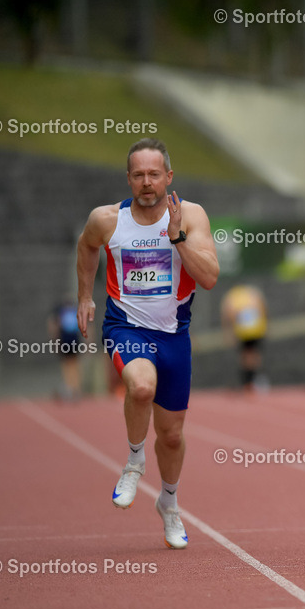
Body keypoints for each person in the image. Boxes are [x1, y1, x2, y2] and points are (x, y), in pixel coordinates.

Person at [76, 138, 219, 548]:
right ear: (128, 179)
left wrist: (177, 238)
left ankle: (169, 504)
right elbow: (86, 247)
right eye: (138, 175)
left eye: (154, 174)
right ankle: (135, 460)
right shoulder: (106, 220)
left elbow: (209, 278)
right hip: (126, 328)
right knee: (140, 386)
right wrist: (85, 295)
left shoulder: (191, 216)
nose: (146, 183)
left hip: (174, 335)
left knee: (172, 436)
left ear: (168, 177)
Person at [221, 284, 268, 392]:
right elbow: (263, 309)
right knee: (251, 356)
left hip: (246, 331)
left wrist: (228, 332)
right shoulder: (252, 294)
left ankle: (249, 381)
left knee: (248, 356)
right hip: (253, 330)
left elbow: (227, 314)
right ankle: (250, 381)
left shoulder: (234, 297)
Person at [50, 295, 84, 400]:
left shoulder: (61, 312)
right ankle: (75, 388)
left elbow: (54, 326)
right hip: (74, 340)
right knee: (74, 364)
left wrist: (55, 341)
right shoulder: (75, 311)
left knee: (67, 365)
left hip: (65, 340)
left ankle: (70, 387)